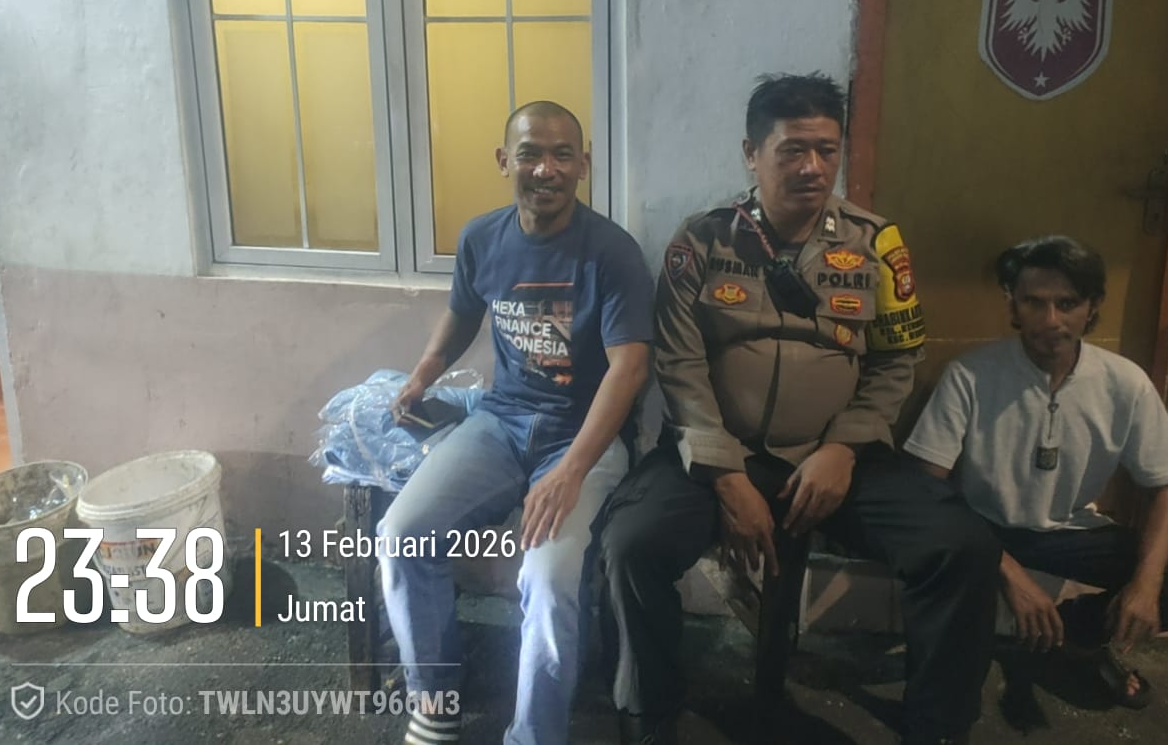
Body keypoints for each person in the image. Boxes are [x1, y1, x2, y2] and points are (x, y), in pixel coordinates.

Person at [600, 73, 1001, 745]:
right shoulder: (702, 241)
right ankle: (650, 711)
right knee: (630, 544)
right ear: (751, 153)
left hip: (839, 460)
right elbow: (679, 365)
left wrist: (844, 449)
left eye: (826, 149)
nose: (813, 167)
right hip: (718, 454)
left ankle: (938, 726)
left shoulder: (877, 244)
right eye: (792, 150)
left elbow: (896, 360)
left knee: (961, 548)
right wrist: (726, 476)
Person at [377, 101, 653, 745]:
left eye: (562, 155)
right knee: (401, 535)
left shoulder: (612, 253)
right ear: (505, 161)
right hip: (500, 423)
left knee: (548, 580)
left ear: (584, 165)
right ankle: (435, 700)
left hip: (582, 439)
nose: (545, 169)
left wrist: (571, 472)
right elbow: (463, 312)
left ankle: (535, 734)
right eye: (530, 153)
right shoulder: (482, 238)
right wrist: (424, 372)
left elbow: (630, 368)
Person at [904, 235, 1168, 709]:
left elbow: (1166, 486)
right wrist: (1009, 573)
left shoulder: (1124, 383)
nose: (1050, 320)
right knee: (947, 698)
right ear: (1013, 305)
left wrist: (1146, 586)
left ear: (1092, 306)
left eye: (1067, 303)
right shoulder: (970, 376)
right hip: (979, 529)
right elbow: (926, 487)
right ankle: (976, 655)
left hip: (1068, 531)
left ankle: (1072, 635)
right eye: (1034, 302)